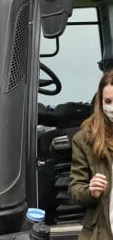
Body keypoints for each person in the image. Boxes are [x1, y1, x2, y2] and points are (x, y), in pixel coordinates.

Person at [69, 69, 113, 239]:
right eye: (108, 101)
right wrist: (91, 191)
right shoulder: (85, 139)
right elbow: (75, 189)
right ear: (100, 103)